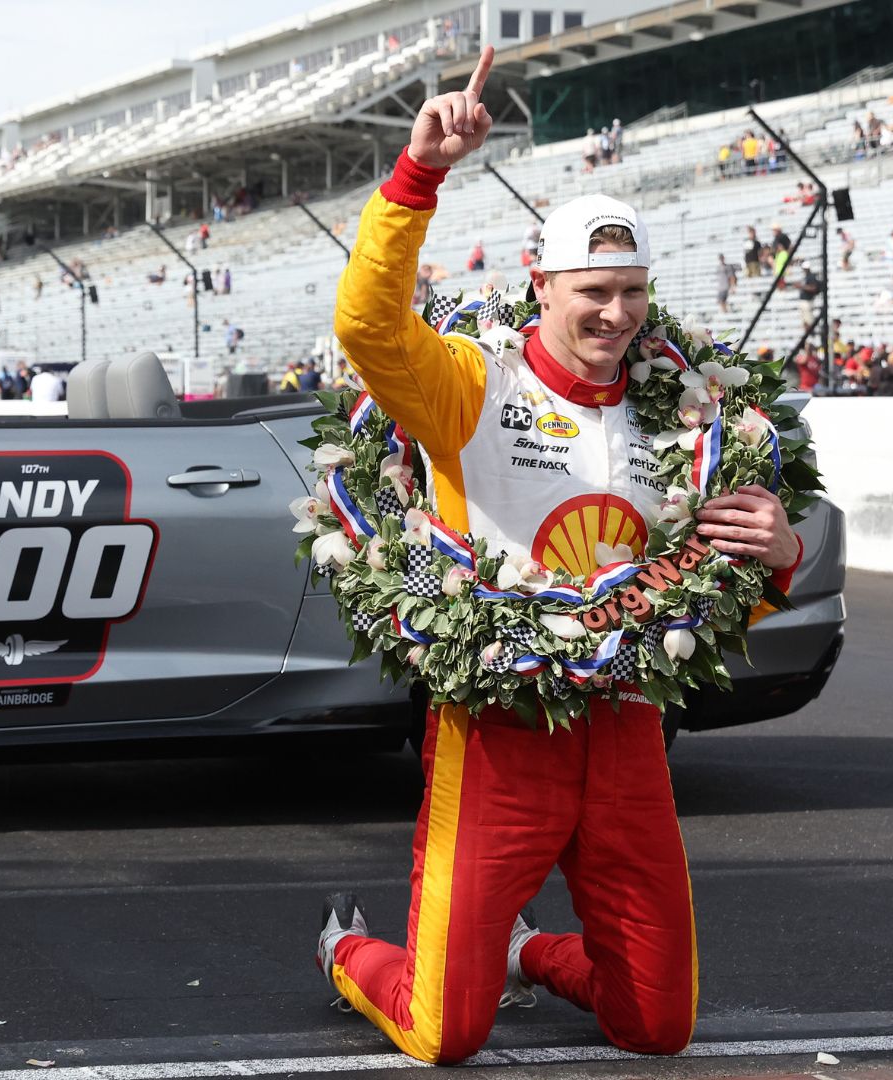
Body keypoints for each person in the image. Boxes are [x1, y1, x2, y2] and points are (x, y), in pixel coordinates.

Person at [319, 46, 802, 1065]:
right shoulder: (466, 384)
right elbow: (366, 326)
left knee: (657, 1028)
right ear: (540, 284)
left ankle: (533, 956)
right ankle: (350, 952)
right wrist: (419, 178)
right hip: (496, 733)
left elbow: (715, 587)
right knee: (443, 1033)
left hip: (628, 736)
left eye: (632, 291)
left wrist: (784, 550)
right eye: (593, 290)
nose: (616, 315)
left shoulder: (686, 407)